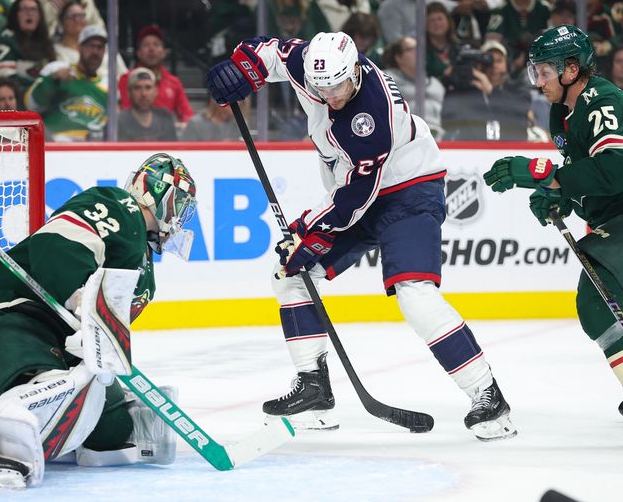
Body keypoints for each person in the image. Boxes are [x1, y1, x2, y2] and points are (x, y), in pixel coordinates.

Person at [207, 31, 517, 440]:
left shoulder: (373, 114)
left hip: (408, 190)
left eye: (338, 86)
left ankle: (487, 395)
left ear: (355, 70)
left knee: (414, 292)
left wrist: (305, 229)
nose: (331, 96)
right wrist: (240, 69)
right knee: (291, 275)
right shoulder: (313, 62)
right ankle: (315, 392)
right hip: (356, 190)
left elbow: (354, 198)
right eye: (322, 89)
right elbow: (269, 52)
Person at [484, 25, 623, 448]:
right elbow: (593, 177)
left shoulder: (605, 102)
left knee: (597, 304)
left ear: (571, 69)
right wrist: (562, 196)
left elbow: (618, 169)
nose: (537, 80)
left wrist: (548, 177)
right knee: (613, 302)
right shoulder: (561, 111)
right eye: (535, 71)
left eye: (543, 71)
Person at [0, 153, 197, 488]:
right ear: (158, 192)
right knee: (52, 392)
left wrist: (97, 347)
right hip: (11, 310)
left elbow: (102, 332)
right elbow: (56, 245)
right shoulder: (119, 205)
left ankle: (39, 425)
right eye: (179, 204)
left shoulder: (146, 274)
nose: (179, 216)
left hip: (55, 337)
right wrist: (79, 305)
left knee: (108, 421)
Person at [25, 24, 108, 141]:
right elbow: (30, 105)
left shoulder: (108, 87)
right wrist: (52, 81)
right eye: (91, 46)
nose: (95, 52)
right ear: (79, 47)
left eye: (100, 47)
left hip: (92, 148)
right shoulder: (57, 70)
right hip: (55, 143)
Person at [441, 40, 532, 140]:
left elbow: (520, 111)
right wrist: (451, 83)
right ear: (479, 66)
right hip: (474, 151)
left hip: (511, 150)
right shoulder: (469, 92)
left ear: (507, 65)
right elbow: (446, 120)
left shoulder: (518, 88)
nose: (494, 66)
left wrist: (491, 91)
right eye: (488, 62)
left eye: (499, 61)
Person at [119, 25, 193, 130]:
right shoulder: (126, 79)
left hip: (165, 141)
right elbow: (124, 112)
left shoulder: (174, 82)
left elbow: (187, 116)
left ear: (164, 52)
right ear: (138, 53)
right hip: (134, 139)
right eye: (146, 45)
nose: (151, 49)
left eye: (156, 44)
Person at [484, 0, 551, 77]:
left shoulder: (544, 8)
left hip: (540, 67)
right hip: (508, 67)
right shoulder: (501, 9)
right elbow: (491, 43)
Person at [0, 0, 57, 96]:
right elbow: (3, 78)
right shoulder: (3, 39)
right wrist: (40, 88)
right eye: (24, 9)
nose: (29, 14)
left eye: (34, 10)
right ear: (15, 15)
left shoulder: (46, 43)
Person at [382, 36, 445, 138]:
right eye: (411, 49)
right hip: (404, 141)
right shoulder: (386, 81)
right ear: (398, 58)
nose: (419, 53)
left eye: (420, 48)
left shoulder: (436, 84)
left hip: (440, 142)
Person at [53, 0, 127, 84]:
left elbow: (124, 76)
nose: (77, 20)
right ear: (61, 22)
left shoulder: (107, 49)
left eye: (81, 16)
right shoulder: (55, 51)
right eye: (72, 16)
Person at [117, 67, 178, 142]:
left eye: (148, 88)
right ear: (129, 93)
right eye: (137, 88)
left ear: (156, 91)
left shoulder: (165, 118)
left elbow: (173, 151)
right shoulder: (118, 122)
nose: (143, 94)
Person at [179, 96, 247, 142]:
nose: (235, 109)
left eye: (239, 104)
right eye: (230, 105)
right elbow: (185, 150)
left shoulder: (240, 124)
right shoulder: (195, 123)